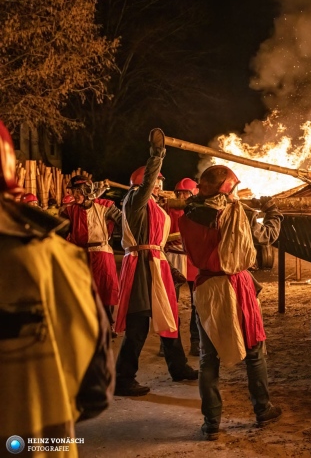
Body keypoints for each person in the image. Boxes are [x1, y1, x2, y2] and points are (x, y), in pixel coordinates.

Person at [0, 120, 114, 454]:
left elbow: (110, 214)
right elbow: (95, 390)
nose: (81, 193)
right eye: (77, 188)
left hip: (100, 256)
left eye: (84, 188)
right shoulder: (49, 253)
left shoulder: (100, 207)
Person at [179, 165, 282, 440]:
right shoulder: (238, 215)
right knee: (254, 349)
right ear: (226, 190)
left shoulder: (187, 214)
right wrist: (274, 213)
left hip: (205, 289)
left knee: (207, 359)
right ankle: (263, 409)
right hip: (235, 288)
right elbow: (267, 236)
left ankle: (211, 423)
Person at [114, 128, 197, 396]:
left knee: (169, 317)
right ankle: (123, 379)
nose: (160, 186)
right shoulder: (135, 201)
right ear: (147, 183)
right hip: (140, 266)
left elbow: (157, 243)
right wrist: (157, 155)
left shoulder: (152, 206)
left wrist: (170, 268)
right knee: (138, 325)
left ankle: (178, 366)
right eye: (157, 182)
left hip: (156, 263)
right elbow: (148, 182)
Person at [61, 175, 123, 335]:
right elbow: (60, 232)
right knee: (82, 291)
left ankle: (108, 325)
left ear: (87, 191)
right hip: (79, 255)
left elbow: (125, 223)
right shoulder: (69, 211)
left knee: (106, 290)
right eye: (73, 191)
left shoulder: (106, 206)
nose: (74, 195)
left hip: (102, 254)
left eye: (77, 192)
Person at [165, 178, 201, 356]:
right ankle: (170, 343)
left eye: (185, 193)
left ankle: (196, 341)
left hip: (193, 260)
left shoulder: (199, 211)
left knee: (198, 304)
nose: (181, 196)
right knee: (171, 302)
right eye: (178, 193)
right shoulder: (168, 209)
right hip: (173, 258)